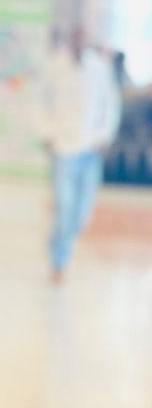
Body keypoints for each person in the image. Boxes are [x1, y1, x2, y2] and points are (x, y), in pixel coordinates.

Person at [39, 30, 122, 281]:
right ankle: (59, 260)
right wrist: (48, 133)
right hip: (63, 148)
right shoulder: (56, 65)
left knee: (82, 213)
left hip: (91, 148)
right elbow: (41, 101)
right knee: (65, 207)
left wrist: (104, 136)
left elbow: (110, 103)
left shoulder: (100, 67)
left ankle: (58, 242)